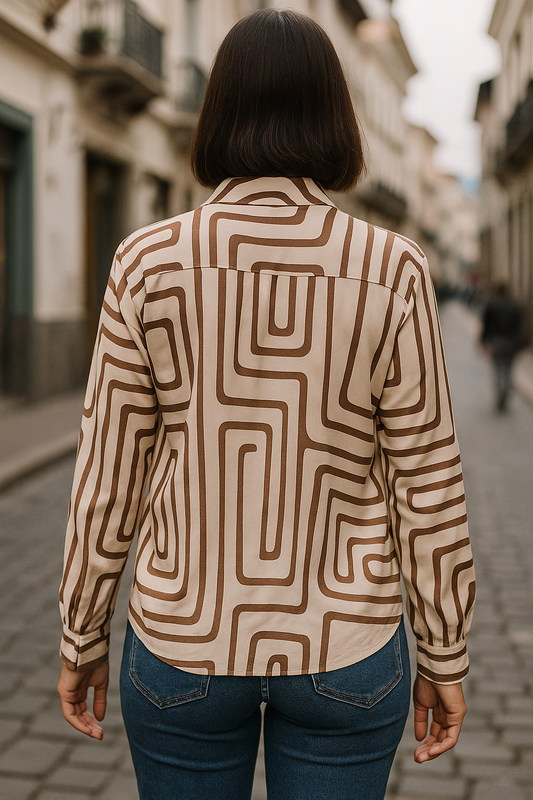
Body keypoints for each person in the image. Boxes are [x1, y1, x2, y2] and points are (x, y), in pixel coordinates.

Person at [57, 10, 475, 800]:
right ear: (335, 118)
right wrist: (444, 652)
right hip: (346, 643)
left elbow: (107, 470)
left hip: (182, 639)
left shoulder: (147, 262)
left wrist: (81, 632)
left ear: (219, 111)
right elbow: (426, 477)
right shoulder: (393, 267)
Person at [481, 281, 525, 412]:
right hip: (511, 343)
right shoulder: (515, 305)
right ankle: (505, 391)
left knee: (498, 370)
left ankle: (500, 392)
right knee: (508, 370)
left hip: (496, 342)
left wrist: (483, 342)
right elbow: (520, 327)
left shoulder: (492, 304)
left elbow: (486, 326)